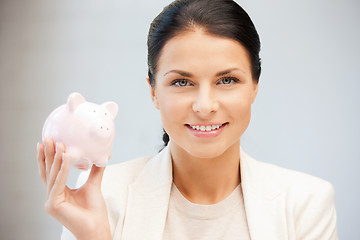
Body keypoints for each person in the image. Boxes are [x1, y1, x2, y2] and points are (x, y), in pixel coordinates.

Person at [36, 0, 338, 239]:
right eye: (182, 82)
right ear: (153, 91)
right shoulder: (105, 195)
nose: (204, 106)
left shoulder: (306, 202)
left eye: (227, 80)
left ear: (255, 87)